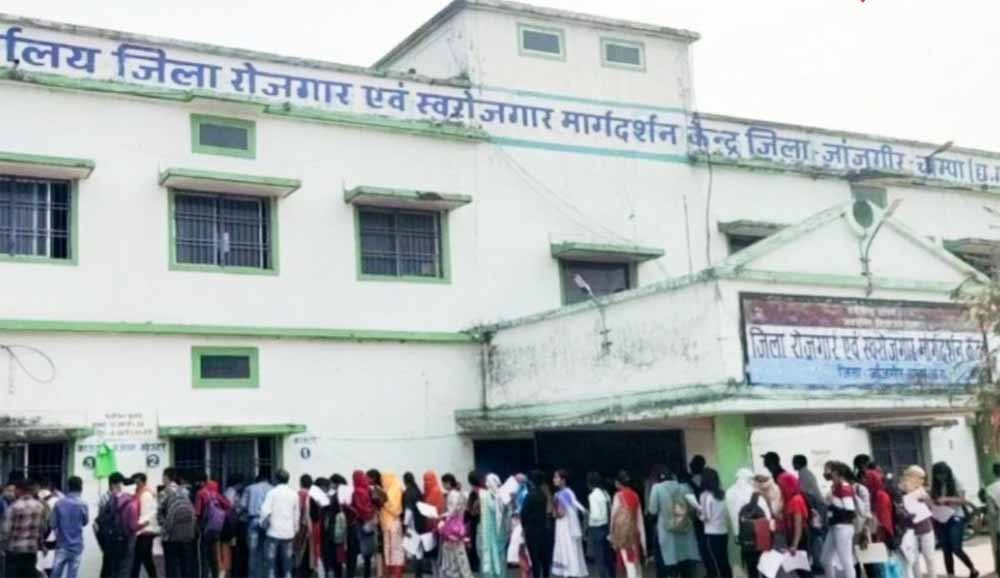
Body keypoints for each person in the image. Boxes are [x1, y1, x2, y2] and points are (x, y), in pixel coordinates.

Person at [648, 468, 700, 578]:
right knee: (685, 565)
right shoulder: (686, 487)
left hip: (666, 533)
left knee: (669, 564)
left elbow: (652, 511)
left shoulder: (656, 488)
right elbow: (694, 508)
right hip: (685, 530)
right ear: (672, 476)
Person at [931, 462, 979, 578]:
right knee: (946, 549)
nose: (940, 477)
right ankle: (951, 575)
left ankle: (972, 569)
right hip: (941, 518)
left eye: (943, 474)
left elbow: (963, 500)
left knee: (956, 548)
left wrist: (946, 499)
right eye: (938, 475)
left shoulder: (956, 482)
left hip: (956, 517)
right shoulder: (935, 485)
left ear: (947, 473)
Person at [0, 478, 48, 578]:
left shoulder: (14, 507)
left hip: (14, 551)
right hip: (31, 551)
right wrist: (42, 545)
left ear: (19, 490)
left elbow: (5, 531)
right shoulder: (40, 506)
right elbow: (42, 529)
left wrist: (2, 547)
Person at [261, 469, 300, 578]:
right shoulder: (294, 494)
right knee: (287, 565)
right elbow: (296, 514)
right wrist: (295, 529)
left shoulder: (272, 493)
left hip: (273, 533)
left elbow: (265, 512)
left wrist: (263, 526)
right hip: (288, 534)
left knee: (271, 565)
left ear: (276, 479)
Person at [159, 468, 197, 578]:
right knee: (186, 564)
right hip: (186, 534)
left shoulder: (164, 492)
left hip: (170, 536)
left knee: (171, 566)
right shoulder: (185, 491)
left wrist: (164, 526)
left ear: (166, 477)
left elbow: (159, 514)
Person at [899, 465, 935, 578]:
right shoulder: (901, 490)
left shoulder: (922, 491)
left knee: (929, 557)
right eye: (919, 477)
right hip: (911, 529)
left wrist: (926, 499)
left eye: (922, 478)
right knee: (914, 559)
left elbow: (930, 507)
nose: (921, 480)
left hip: (926, 527)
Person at [49, 476, 88, 578]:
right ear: (81, 488)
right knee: (72, 575)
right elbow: (85, 522)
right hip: (77, 546)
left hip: (62, 545)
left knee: (55, 574)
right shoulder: (83, 504)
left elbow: (52, 524)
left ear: (68, 487)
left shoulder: (59, 503)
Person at [822, 461, 857, 578]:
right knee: (826, 558)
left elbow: (850, 511)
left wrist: (832, 506)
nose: (828, 475)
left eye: (830, 472)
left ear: (837, 473)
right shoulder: (836, 488)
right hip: (835, 526)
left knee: (846, 560)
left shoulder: (844, 487)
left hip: (843, 527)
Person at [95, 472, 132, 578]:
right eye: (120, 484)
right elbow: (102, 520)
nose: (121, 487)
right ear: (113, 484)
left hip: (113, 537)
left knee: (109, 566)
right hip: (110, 538)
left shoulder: (111, 497)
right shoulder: (107, 498)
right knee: (111, 567)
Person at [551, 470, 587, 578]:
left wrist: (555, 510)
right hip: (564, 524)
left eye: (556, 477)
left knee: (568, 545)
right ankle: (568, 570)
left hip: (566, 525)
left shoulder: (564, 493)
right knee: (566, 546)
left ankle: (571, 571)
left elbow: (563, 511)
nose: (554, 479)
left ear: (563, 480)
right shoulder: (562, 493)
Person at [609, 471, 645, 578]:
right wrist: (643, 539)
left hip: (624, 534)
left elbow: (613, 517)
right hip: (634, 532)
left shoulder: (618, 496)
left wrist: (612, 534)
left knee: (629, 563)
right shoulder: (635, 495)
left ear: (618, 483)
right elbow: (639, 518)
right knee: (636, 562)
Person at [697, 468, 731, 578]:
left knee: (715, 563)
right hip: (723, 532)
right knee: (724, 561)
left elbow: (706, 517)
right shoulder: (723, 494)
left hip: (712, 533)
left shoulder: (706, 495)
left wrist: (698, 513)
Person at [195, 479, 232, 578]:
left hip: (204, 528)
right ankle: (215, 574)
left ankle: (204, 575)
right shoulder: (217, 495)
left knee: (203, 555)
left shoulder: (201, 493)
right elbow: (228, 505)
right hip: (216, 528)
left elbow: (198, 512)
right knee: (214, 554)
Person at [438, 474, 473, 578]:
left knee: (451, 555)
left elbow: (451, 512)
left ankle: (455, 574)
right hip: (458, 528)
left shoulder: (452, 495)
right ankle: (464, 574)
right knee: (460, 554)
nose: (443, 485)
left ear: (448, 483)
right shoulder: (460, 494)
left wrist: (440, 517)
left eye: (443, 483)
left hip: (451, 530)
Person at [520, 471, 553, 578]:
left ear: (532, 481)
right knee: (544, 559)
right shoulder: (543, 495)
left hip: (531, 530)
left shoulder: (529, 496)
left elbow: (523, 514)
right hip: (543, 529)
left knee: (535, 559)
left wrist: (524, 527)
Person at [777, 472, 809, 578]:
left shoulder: (796, 500)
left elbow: (798, 524)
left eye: (781, 485)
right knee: (799, 569)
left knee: (802, 569)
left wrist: (794, 545)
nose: (780, 488)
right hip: (795, 536)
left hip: (799, 537)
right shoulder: (790, 499)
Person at [242, 472, 273, 578]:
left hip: (253, 520)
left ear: (257, 480)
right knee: (268, 551)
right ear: (267, 480)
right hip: (268, 521)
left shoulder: (249, 488)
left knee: (253, 552)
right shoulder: (272, 489)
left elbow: (242, 505)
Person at [129, 473, 159, 578]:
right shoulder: (139, 492)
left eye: (136, 480)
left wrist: (139, 527)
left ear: (141, 481)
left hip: (145, 531)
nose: (134, 483)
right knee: (146, 558)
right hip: (142, 530)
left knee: (137, 559)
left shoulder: (146, 494)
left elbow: (147, 513)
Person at [347, 471, 376, 578]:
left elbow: (359, 508)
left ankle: (353, 574)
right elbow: (372, 504)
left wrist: (349, 506)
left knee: (355, 551)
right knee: (367, 552)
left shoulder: (357, 492)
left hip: (360, 523)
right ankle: (367, 575)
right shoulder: (368, 489)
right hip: (370, 522)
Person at [585, 472, 613, 578]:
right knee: (607, 557)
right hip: (606, 527)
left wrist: (588, 514)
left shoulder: (592, 496)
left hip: (596, 528)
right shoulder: (605, 493)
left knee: (600, 558)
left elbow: (596, 515)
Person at [376, 473, 405, 578]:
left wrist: (383, 502)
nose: (383, 482)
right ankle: (390, 574)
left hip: (393, 524)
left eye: (384, 480)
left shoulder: (395, 490)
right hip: (387, 524)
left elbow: (396, 509)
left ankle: (396, 574)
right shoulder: (388, 490)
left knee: (395, 549)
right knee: (389, 549)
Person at [478, 474, 506, 578]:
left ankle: (500, 574)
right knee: (490, 553)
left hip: (498, 530)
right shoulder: (485, 495)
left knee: (499, 554)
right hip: (489, 530)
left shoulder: (499, 495)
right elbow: (492, 507)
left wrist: (499, 498)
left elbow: (501, 510)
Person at [401, 473, 426, 578]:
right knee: (418, 550)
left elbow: (409, 510)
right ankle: (419, 574)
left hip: (412, 525)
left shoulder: (408, 492)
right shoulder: (417, 490)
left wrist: (405, 525)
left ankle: (417, 575)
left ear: (404, 481)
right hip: (420, 523)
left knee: (414, 550)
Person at [421, 472, 445, 577]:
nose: (426, 482)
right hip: (429, 528)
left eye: (429, 479)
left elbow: (439, 510)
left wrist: (435, 526)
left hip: (436, 528)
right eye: (425, 480)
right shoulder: (427, 492)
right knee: (432, 554)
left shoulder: (437, 492)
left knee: (437, 555)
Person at [39, 477, 64, 577]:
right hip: (52, 536)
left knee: (39, 566)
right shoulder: (58, 499)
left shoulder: (35, 497)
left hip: (38, 537)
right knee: (51, 565)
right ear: (50, 486)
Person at [464, 472, 483, 574]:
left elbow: (470, 509)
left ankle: (474, 564)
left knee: (474, 542)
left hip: (475, 520)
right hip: (482, 520)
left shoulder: (474, 493)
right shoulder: (484, 491)